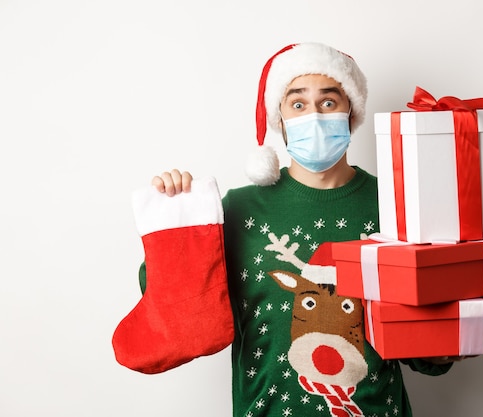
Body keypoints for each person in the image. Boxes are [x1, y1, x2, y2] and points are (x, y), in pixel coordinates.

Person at [148, 42, 462, 417]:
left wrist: (458, 332)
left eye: (328, 102)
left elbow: (429, 352)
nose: (314, 114)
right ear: (279, 119)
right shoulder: (239, 208)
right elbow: (180, 311)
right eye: (298, 103)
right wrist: (178, 222)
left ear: (351, 112)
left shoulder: (398, 205)